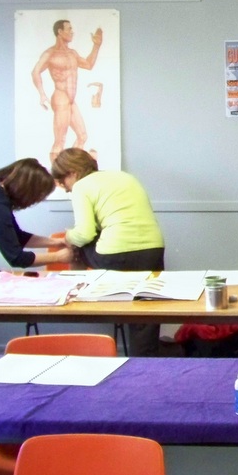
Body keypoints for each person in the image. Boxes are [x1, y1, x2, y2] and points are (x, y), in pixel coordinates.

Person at [51, 148, 165, 356]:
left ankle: (72, 291)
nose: (65, 189)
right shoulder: (125, 177)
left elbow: (84, 234)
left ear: (72, 173)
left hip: (115, 255)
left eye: (62, 182)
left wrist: (67, 237)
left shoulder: (81, 186)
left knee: (76, 241)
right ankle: (146, 366)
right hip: (153, 249)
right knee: (145, 313)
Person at [0, 158, 74, 353]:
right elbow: (16, 257)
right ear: (28, 190)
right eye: (37, 196)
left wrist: (56, 242)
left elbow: (17, 237)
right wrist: (60, 257)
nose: (34, 202)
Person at [31, 19, 103, 163]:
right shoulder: (50, 53)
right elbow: (35, 72)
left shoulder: (72, 53)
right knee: (60, 140)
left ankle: (71, 168)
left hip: (71, 100)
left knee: (82, 136)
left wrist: (96, 45)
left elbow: (88, 65)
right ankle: (57, 177)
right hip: (60, 97)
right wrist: (42, 94)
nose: (72, 32)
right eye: (69, 29)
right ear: (60, 31)